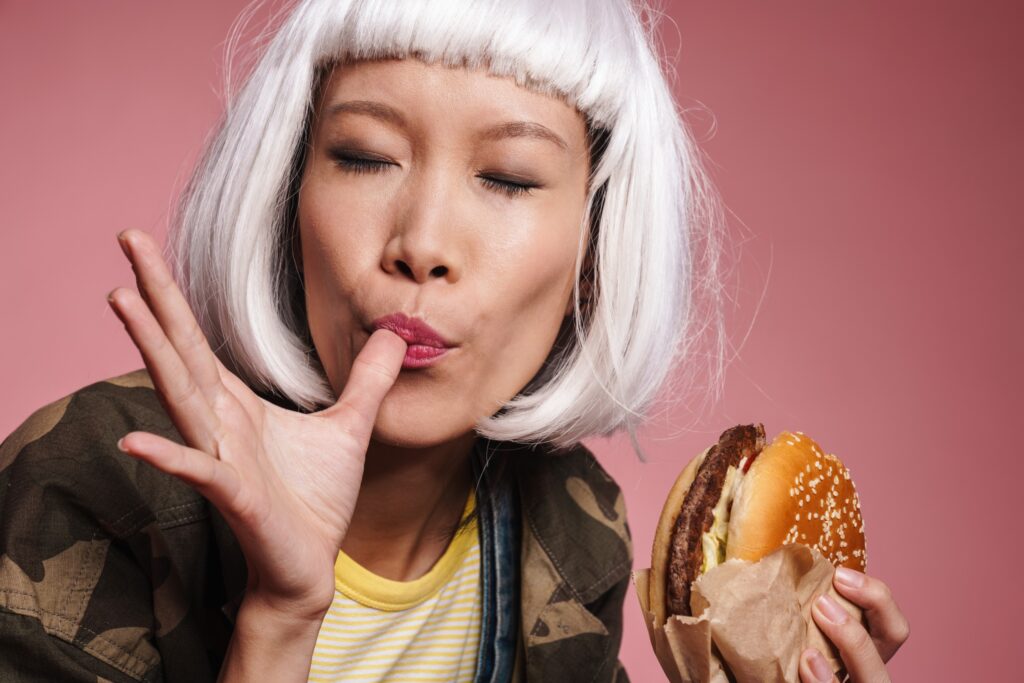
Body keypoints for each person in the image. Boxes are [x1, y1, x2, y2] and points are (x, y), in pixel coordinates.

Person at [0, 1, 908, 681]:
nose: (423, 243)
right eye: (364, 156)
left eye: (508, 177)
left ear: (595, 252)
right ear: (286, 199)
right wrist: (281, 619)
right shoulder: (90, 480)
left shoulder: (573, 527)